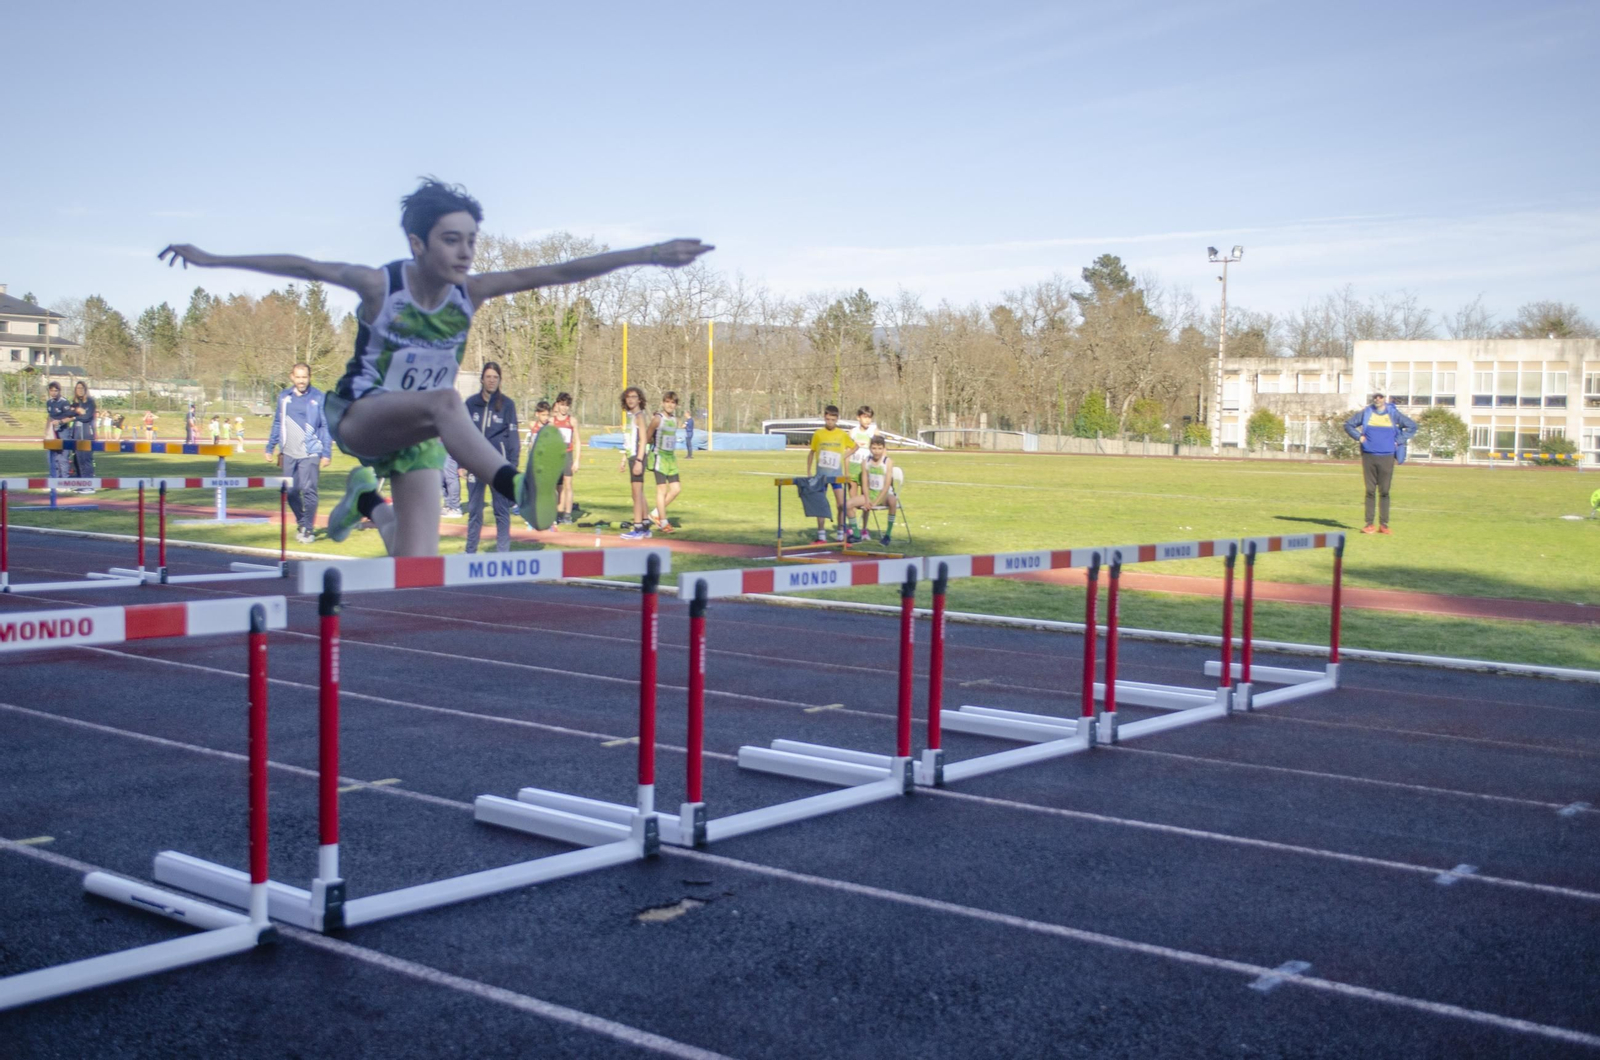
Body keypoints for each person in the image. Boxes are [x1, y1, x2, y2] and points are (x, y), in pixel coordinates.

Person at [159, 178, 712, 557]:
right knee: (447, 399)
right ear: (417, 242)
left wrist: (648, 253)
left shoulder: (470, 292)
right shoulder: (382, 285)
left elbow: (562, 271)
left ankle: (366, 500)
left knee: (414, 567)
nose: (466, 252)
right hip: (362, 416)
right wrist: (212, 258)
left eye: (472, 240)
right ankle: (517, 488)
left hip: (420, 434)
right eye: (452, 239)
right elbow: (303, 265)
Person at [265, 362, 333, 544]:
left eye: (305, 377)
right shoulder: (284, 397)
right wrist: (270, 446)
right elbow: (278, 423)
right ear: (292, 377)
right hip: (288, 452)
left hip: (311, 452)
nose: (302, 381)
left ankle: (308, 530)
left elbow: (326, 426)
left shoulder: (319, 397)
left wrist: (326, 452)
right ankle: (302, 522)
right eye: (298, 377)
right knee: (291, 491)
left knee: (309, 490)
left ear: (309, 377)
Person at [463, 362, 520, 554]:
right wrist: (462, 463)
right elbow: (462, 435)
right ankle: (470, 554)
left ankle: (502, 555)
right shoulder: (471, 404)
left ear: (500, 380)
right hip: (475, 465)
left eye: (495, 377)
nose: (492, 380)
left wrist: (512, 466)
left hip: (499, 468)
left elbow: (513, 439)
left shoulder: (507, 405)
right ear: (482, 379)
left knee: (501, 512)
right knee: (474, 512)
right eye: (488, 377)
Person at [1344, 390, 1417, 535]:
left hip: (1387, 457)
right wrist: (1359, 437)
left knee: (1384, 492)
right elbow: (1348, 425)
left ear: (1385, 398)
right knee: (1370, 491)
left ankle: (1384, 525)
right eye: (1375, 397)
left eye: (1380, 396)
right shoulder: (1366, 412)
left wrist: (1398, 440)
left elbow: (1412, 426)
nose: (1377, 399)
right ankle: (1369, 524)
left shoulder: (1393, 413)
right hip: (1369, 456)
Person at [805, 405, 852, 542]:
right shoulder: (818, 434)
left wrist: (843, 456)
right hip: (821, 476)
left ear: (837, 419)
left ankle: (840, 532)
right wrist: (808, 471)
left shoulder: (842, 434)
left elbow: (854, 447)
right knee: (821, 504)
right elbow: (811, 453)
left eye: (832, 419)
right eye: (827, 419)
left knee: (841, 505)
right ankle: (821, 535)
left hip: (836, 476)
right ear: (824, 418)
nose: (830, 422)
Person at [845, 435, 899, 545]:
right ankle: (856, 534)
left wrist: (874, 502)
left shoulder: (888, 462)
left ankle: (887, 535)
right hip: (870, 494)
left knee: (893, 500)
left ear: (884, 449)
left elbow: (887, 485)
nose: (877, 452)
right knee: (848, 504)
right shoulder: (866, 462)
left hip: (884, 495)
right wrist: (867, 499)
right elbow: (865, 483)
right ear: (870, 448)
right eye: (874, 448)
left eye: (880, 448)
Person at [645, 390, 682, 534]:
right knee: (662, 490)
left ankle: (655, 514)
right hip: (659, 458)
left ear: (676, 405)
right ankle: (664, 522)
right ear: (662, 403)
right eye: (667, 402)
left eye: (673, 403)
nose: (670, 405)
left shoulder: (675, 421)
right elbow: (648, 436)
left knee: (676, 489)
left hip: (671, 459)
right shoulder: (657, 419)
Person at [619, 386, 652, 540]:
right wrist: (624, 459)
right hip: (632, 456)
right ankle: (645, 525)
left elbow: (644, 439)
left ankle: (637, 527)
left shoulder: (639, 416)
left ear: (640, 399)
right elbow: (629, 441)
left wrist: (639, 460)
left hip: (638, 457)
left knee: (636, 493)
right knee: (638, 492)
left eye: (634, 396)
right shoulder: (632, 417)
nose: (631, 399)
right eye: (628, 397)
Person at [844, 405, 877, 543]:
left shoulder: (874, 432)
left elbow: (880, 450)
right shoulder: (853, 432)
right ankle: (853, 528)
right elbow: (846, 452)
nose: (867, 420)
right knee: (852, 501)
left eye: (869, 417)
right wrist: (846, 471)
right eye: (864, 417)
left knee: (865, 500)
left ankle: (864, 529)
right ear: (858, 418)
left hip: (866, 470)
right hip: (853, 467)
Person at [550, 392, 580, 523]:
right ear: (557, 405)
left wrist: (577, 460)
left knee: (568, 484)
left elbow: (577, 441)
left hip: (567, 455)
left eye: (567, 405)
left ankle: (568, 514)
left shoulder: (572, 421)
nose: (564, 408)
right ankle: (556, 512)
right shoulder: (552, 421)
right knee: (556, 487)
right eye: (562, 405)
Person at [69, 381, 98, 492]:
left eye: (82, 388)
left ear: (85, 389)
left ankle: (89, 484)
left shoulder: (90, 402)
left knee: (86, 459)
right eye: (77, 388)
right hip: (76, 434)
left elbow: (86, 417)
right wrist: (76, 412)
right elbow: (69, 413)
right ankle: (81, 483)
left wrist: (75, 416)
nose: (80, 390)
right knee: (77, 459)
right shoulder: (75, 403)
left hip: (86, 434)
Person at [44, 382, 74, 478]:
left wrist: (60, 422)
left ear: (59, 391)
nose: (53, 393)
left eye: (56, 390)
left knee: (63, 458)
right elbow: (49, 417)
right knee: (51, 457)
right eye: (51, 390)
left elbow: (71, 417)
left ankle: (65, 481)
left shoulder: (64, 402)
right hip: (52, 433)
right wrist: (46, 431)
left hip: (63, 432)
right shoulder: (49, 402)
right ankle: (53, 480)